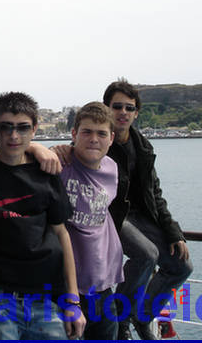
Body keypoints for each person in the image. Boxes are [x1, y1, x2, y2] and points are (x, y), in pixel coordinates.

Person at [54, 80, 193, 340]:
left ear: (136, 113)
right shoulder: (82, 151)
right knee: (146, 254)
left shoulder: (143, 147)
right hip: (115, 216)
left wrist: (173, 231)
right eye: (117, 106)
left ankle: (142, 315)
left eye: (129, 108)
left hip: (139, 217)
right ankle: (123, 316)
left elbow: (155, 193)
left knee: (182, 266)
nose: (123, 112)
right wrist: (51, 150)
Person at [0, 91, 86, 340]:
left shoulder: (46, 172)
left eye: (23, 128)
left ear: (34, 129)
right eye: (6, 127)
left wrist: (73, 301)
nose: (14, 136)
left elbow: (62, 234)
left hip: (46, 299)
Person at [60, 102, 123, 340]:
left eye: (101, 134)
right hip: (67, 288)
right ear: (74, 134)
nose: (94, 139)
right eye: (86, 132)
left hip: (103, 284)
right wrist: (40, 148)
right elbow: (9, 152)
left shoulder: (112, 168)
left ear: (111, 138)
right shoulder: (59, 164)